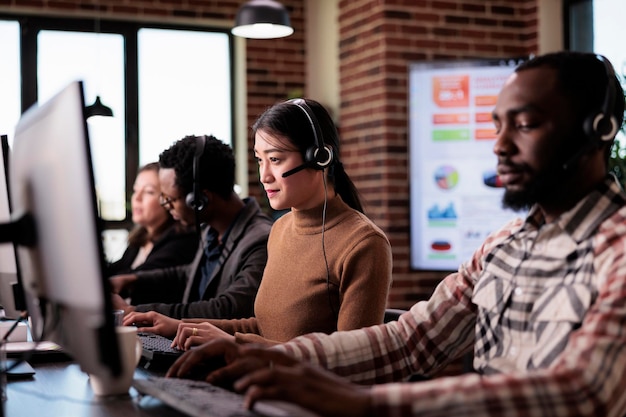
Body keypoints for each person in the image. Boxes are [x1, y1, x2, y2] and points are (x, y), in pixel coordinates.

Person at [166, 51, 626, 417]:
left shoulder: (618, 250)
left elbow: (583, 392)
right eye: (497, 126)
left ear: (597, 131)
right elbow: (411, 340)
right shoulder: (503, 247)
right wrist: (272, 360)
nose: (499, 146)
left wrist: (365, 404)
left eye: (523, 125)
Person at [124, 98, 393, 348]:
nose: (264, 176)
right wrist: (179, 326)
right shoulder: (280, 230)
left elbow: (352, 360)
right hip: (260, 382)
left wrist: (237, 345)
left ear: (320, 157)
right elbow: (262, 327)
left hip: (303, 397)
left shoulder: (364, 243)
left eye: (275, 159)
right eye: (259, 160)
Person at [111, 135, 273, 319]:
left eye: (170, 199)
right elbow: (188, 274)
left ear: (200, 200)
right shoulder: (210, 231)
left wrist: (136, 312)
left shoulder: (261, 240)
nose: (166, 205)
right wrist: (133, 281)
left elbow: (230, 308)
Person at [106, 162, 198, 305]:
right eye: (136, 190)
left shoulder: (182, 241)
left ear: (167, 198)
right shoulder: (140, 239)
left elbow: (129, 279)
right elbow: (112, 272)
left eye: (148, 192)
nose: (137, 198)